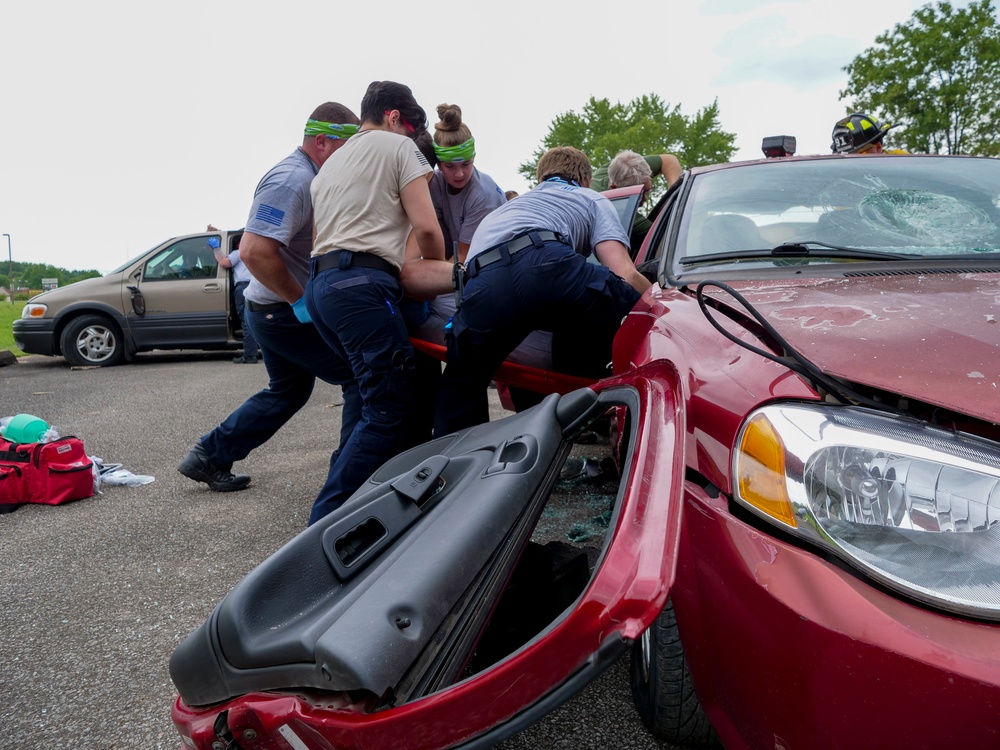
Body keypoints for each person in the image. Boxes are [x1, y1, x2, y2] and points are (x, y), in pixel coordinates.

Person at [177, 102, 361, 494]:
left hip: (272, 310)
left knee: (289, 390)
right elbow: (254, 251)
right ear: (322, 141)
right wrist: (301, 302)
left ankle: (210, 455)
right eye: (349, 148)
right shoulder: (291, 180)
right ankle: (351, 477)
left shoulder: (310, 175)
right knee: (361, 376)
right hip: (282, 312)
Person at [434, 146, 652, 436]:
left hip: (483, 280)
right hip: (546, 260)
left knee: (463, 379)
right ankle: (641, 415)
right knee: (635, 315)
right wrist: (658, 302)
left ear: (540, 178)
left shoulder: (509, 208)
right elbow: (622, 271)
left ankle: (451, 463)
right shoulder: (589, 197)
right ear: (585, 179)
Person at [304, 80, 444, 525]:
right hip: (362, 285)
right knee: (391, 405)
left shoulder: (331, 163)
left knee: (367, 401)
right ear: (393, 117)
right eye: (412, 126)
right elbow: (426, 230)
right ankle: (322, 526)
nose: (412, 136)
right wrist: (435, 273)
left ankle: (370, 503)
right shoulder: (398, 148)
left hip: (323, 288)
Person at [214, 236, 259, 364]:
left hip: (243, 287)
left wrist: (216, 249)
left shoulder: (238, 253)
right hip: (255, 286)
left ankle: (250, 355)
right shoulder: (254, 253)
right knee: (252, 318)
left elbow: (224, 262)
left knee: (246, 321)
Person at [589, 151, 682, 193]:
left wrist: (675, 192)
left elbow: (669, 160)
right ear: (614, 188)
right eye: (639, 194)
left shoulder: (621, 165)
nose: (645, 198)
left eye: (647, 190)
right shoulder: (620, 210)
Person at [830, 112, 896, 154]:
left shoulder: (900, 164)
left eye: (862, 154)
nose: (854, 161)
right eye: (849, 157)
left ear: (878, 148)